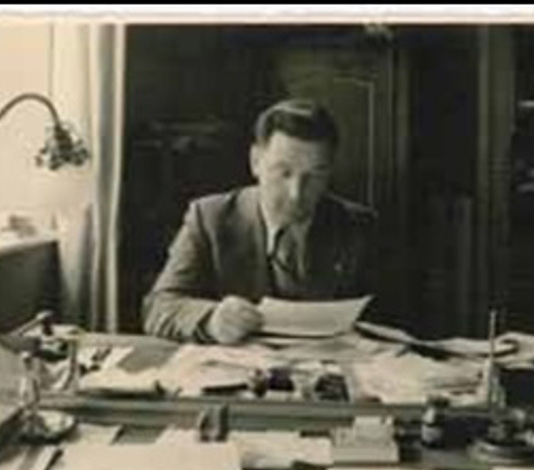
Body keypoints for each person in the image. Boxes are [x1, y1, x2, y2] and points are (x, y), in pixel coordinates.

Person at [143, 99, 377, 345]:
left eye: (315, 175)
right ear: (255, 162)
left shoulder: (358, 225)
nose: (296, 193)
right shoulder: (210, 217)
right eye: (283, 173)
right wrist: (211, 319)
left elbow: (388, 319)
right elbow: (159, 307)